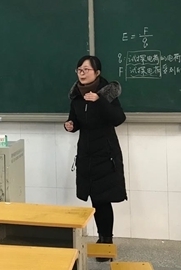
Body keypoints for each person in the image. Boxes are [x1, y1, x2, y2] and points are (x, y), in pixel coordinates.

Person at [64, 55, 127, 258]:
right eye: (79, 70)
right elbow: (75, 120)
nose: (82, 73)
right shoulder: (76, 96)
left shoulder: (107, 94)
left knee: (103, 199)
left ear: (97, 73)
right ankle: (102, 239)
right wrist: (70, 125)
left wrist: (99, 101)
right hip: (86, 154)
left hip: (106, 154)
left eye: (86, 70)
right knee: (94, 198)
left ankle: (106, 241)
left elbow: (119, 118)